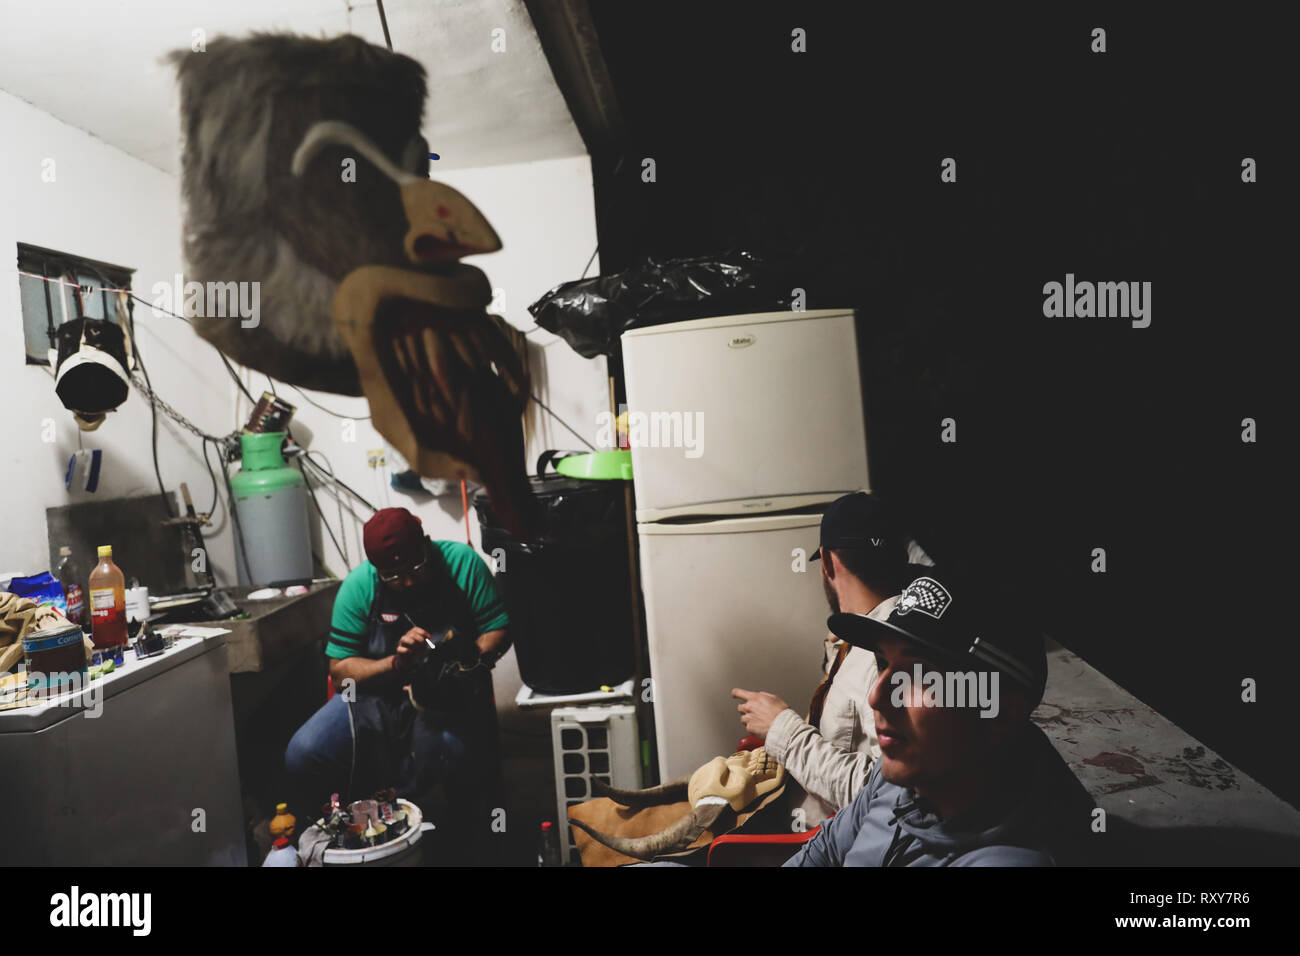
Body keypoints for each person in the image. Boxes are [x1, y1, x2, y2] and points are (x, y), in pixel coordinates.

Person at [785, 569, 1096, 866]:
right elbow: (825, 850)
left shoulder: (1011, 858)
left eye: (920, 677)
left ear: (999, 711)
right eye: (883, 664)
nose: (877, 697)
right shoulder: (911, 772)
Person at [283, 507, 509, 846]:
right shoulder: (359, 587)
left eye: (416, 567)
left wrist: (467, 661)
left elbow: (498, 627)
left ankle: (463, 843)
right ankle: (338, 840)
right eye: (392, 575)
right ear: (377, 570)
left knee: (452, 755)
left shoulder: (461, 563)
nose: (407, 581)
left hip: (446, 698)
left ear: (427, 546)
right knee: (304, 751)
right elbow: (340, 669)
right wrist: (396, 664)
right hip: (375, 698)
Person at [732, 492, 921, 825]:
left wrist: (782, 729)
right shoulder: (856, 639)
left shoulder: (888, 653)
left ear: (828, 562)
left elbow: (886, 795)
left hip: (812, 846)